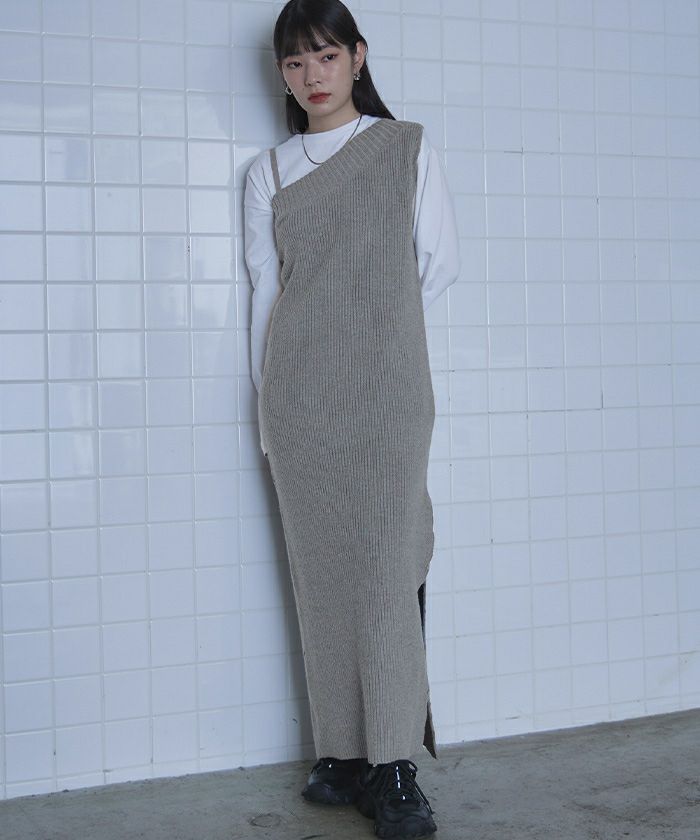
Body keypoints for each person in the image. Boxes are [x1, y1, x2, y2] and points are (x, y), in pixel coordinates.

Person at [243, 1, 460, 837]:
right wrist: (267, 409)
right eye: (295, 62)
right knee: (322, 576)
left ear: (358, 57)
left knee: (386, 569)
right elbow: (267, 295)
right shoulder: (270, 170)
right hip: (299, 400)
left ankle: (395, 764)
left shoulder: (403, 148)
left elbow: (437, 264)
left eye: (326, 56)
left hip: (386, 396)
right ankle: (342, 753)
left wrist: (371, 334)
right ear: (282, 72)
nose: (312, 75)